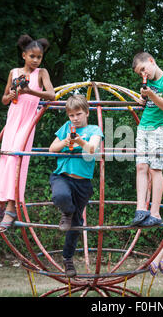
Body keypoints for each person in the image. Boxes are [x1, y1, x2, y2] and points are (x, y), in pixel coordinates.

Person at [0, 35, 55, 233]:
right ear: (23, 55)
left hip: (28, 122)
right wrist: (11, 95)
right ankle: (0, 205)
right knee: (5, 159)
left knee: (17, 160)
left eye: (39, 57)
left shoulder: (41, 73)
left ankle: (12, 208)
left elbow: (52, 95)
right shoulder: (14, 72)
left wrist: (30, 91)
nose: (36, 60)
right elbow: (4, 99)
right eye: (32, 56)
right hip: (12, 120)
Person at [49, 95, 104, 277]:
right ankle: (67, 211)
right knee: (60, 196)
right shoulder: (66, 128)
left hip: (82, 182)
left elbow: (91, 150)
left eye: (78, 114)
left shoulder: (94, 129)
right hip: (62, 176)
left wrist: (79, 141)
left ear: (87, 112)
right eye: (71, 115)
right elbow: (52, 149)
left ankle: (67, 259)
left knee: (76, 225)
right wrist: (66, 141)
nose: (75, 118)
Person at [131, 52, 163, 227]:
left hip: (159, 129)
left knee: (155, 169)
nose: (144, 75)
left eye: (144, 69)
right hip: (143, 127)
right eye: (140, 74)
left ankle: (155, 213)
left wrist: (150, 94)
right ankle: (140, 208)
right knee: (141, 166)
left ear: (151, 61)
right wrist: (142, 98)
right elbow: (146, 103)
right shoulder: (147, 83)